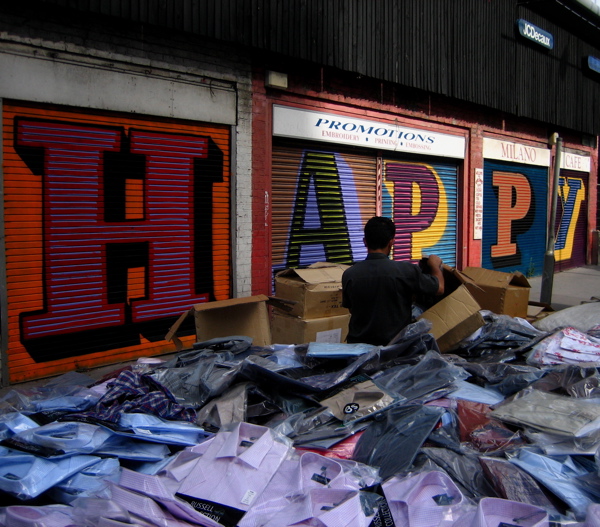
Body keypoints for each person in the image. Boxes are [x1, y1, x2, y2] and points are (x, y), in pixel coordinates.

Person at [342, 216, 445, 346]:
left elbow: (352, 310)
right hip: (396, 348)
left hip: (358, 348)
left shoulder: (349, 274)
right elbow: (439, 288)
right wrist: (434, 265)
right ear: (391, 242)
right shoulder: (406, 271)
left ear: (365, 242)